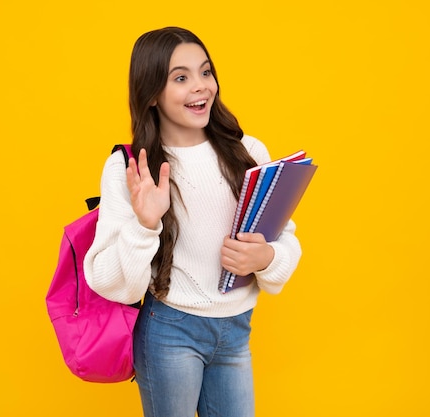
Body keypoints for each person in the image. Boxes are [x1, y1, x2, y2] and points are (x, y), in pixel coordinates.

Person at [84, 26, 302, 417]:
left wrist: (266, 257)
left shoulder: (247, 151)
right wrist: (144, 224)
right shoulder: (130, 168)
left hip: (236, 331)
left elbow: (284, 240)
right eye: (181, 78)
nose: (201, 87)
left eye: (205, 72)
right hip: (170, 332)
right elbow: (109, 282)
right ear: (151, 93)